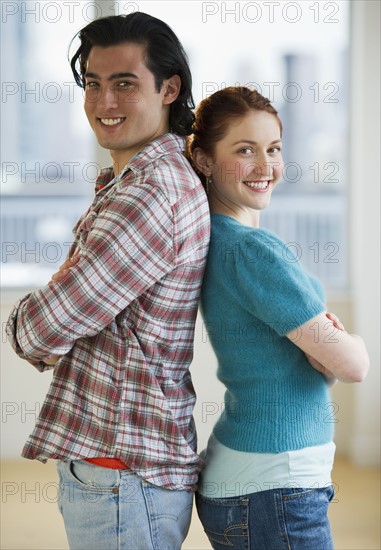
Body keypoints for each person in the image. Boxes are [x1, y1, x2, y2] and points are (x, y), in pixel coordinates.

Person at [6, 12, 210, 550]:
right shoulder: (135, 181)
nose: (104, 102)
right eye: (93, 84)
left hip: (121, 466)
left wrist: (36, 315)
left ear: (170, 88)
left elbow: (39, 333)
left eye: (125, 83)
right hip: (122, 464)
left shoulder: (149, 194)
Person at [187, 86, 369, 550]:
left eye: (273, 149)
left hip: (259, 482)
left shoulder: (222, 240)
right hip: (272, 486)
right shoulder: (252, 251)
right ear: (204, 159)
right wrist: (353, 344)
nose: (266, 167)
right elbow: (352, 366)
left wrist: (327, 347)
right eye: (244, 150)